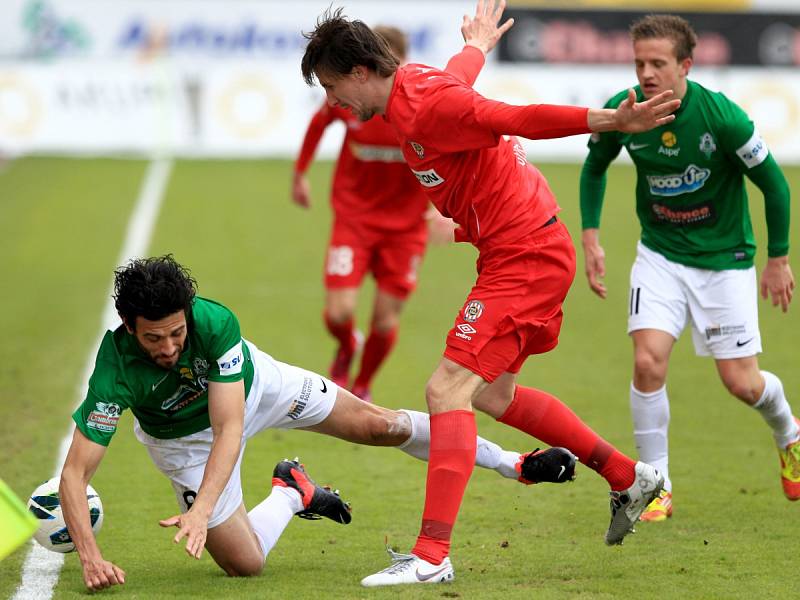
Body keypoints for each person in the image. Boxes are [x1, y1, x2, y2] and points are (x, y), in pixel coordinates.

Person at [301, 0, 680, 586]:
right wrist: (478, 43)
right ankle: (629, 476)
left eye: (331, 86)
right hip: (517, 251)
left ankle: (431, 556)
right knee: (494, 395)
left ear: (359, 71)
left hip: (524, 255)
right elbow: (460, 75)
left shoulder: (427, 102)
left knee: (446, 388)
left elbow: (518, 116)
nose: (332, 102)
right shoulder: (413, 90)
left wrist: (609, 122)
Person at [59, 255, 576, 592]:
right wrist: (89, 556)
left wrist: (203, 510)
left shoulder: (214, 322)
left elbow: (231, 428)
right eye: (154, 339)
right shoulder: (114, 373)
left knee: (381, 426)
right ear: (129, 328)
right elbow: (75, 476)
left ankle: (512, 462)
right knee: (246, 565)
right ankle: (292, 491)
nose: (169, 347)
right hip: (181, 443)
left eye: (176, 333)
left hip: (255, 388)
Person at [579, 13, 798, 523]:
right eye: (639, 63)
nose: (646, 73)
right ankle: (655, 485)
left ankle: (789, 432)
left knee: (742, 384)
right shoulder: (625, 111)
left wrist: (779, 258)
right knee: (648, 361)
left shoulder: (723, 118)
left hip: (724, 262)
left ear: (686, 66)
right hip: (659, 255)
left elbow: (776, 185)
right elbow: (593, 166)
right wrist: (590, 236)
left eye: (658, 63)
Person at [292, 26, 456, 403]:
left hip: (406, 228)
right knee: (339, 312)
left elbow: (451, 152)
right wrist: (300, 173)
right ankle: (348, 343)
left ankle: (362, 384)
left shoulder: (415, 107)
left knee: (385, 319)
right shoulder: (351, 102)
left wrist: (444, 208)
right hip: (355, 218)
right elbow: (319, 123)